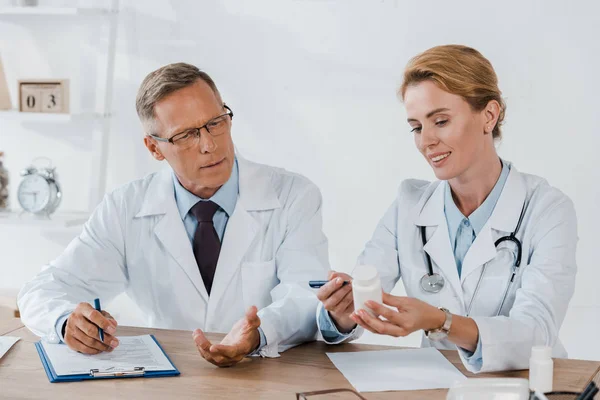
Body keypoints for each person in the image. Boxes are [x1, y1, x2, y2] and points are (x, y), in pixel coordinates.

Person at [18, 62, 329, 367]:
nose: (209, 145)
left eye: (216, 123)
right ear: (154, 148)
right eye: (186, 135)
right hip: (171, 379)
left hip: (266, 375)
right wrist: (64, 322)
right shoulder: (126, 207)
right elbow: (44, 289)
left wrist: (259, 334)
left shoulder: (292, 196)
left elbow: (306, 296)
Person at [316, 45, 578, 373]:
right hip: (438, 386)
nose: (426, 141)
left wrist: (442, 322)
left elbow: (536, 334)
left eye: (440, 121)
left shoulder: (547, 210)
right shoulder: (409, 204)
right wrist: (343, 313)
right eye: (416, 127)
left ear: (489, 115)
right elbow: (367, 294)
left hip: (529, 386)